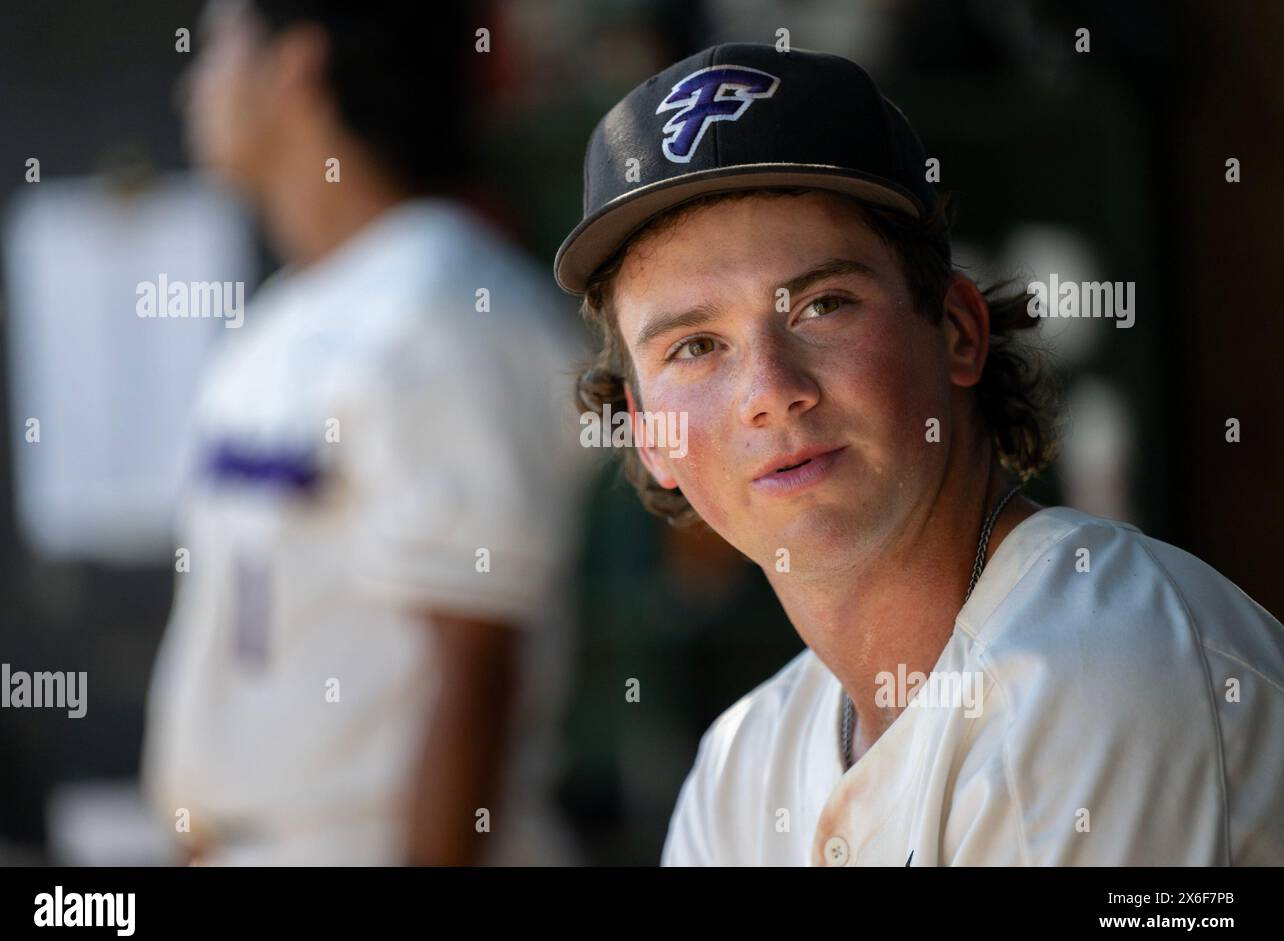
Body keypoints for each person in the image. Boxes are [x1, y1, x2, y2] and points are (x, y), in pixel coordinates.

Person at [553, 42, 1284, 865]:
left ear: (959, 333)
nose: (771, 388)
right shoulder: (740, 768)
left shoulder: (1108, 665)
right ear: (651, 437)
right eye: (695, 347)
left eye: (823, 304)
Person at [142, 0, 587, 865]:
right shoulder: (288, 313)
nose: (191, 85)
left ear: (297, 66)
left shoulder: (444, 307)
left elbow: (474, 670)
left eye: (217, 46)